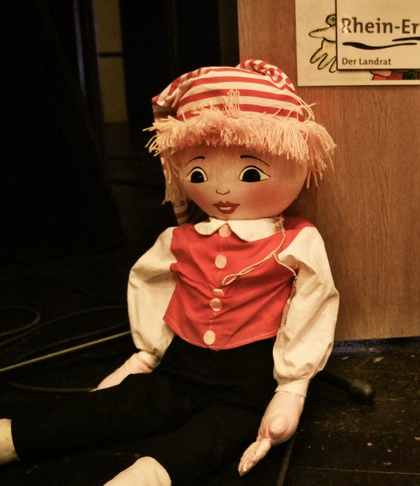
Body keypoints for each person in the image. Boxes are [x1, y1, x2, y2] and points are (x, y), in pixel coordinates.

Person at [0, 60, 339, 484]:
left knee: (212, 435)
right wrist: (148, 353)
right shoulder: (179, 239)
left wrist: (292, 386)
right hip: (181, 367)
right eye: (198, 172)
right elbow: (152, 285)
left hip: (251, 379)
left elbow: (312, 303)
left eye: (250, 173)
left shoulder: (296, 240)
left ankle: (146, 478)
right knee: (121, 406)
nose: (221, 190)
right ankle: (14, 437)